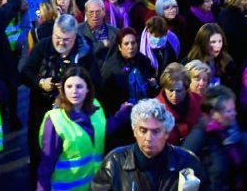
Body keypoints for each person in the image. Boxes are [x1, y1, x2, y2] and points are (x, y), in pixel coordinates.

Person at [21, 14, 100, 183]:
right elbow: (25, 73)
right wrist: (41, 82)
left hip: (73, 116)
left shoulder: (84, 50)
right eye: (57, 37)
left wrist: (75, 88)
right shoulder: (42, 46)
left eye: (66, 39)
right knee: (39, 156)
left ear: (75, 36)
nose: (61, 43)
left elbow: (95, 81)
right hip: (42, 111)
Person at [37, 66, 128, 191]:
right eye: (69, 87)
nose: (74, 91)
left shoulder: (96, 107)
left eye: (79, 86)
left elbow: (101, 131)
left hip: (93, 186)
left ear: (87, 89)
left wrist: (122, 114)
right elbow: (46, 165)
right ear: (63, 89)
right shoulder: (55, 120)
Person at [91, 98, 205, 190]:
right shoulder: (114, 162)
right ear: (134, 131)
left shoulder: (187, 163)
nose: (149, 138)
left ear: (166, 133)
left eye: (156, 131)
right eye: (143, 130)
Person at [183, 85, 247, 189]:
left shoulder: (231, 131)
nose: (234, 114)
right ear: (213, 113)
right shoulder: (200, 135)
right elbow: (183, 168)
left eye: (234, 110)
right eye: (229, 111)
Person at [99, 27, 157, 115]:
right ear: (119, 47)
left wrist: (154, 86)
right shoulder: (110, 68)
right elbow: (104, 97)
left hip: (145, 111)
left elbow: (151, 84)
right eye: (126, 44)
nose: (131, 47)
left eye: (133, 43)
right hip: (120, 114)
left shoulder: (144, 61)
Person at [154, 63, 204, 145]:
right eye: (170, 90)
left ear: (186, 88)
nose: (174, 95)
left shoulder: (200, 102)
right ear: (164, 88)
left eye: (179, 91)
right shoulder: (153, 109)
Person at [185, 23, 236, 89]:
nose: (218, 46)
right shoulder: (189, 62)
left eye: (220, 41)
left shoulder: (228, 63)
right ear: (203, 42)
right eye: (213, 42)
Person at [77, 0, 119, 70]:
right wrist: (102, 44)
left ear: (104, 12)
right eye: (91, 12)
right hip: (85, 74)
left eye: (98, 12)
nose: (95, 15)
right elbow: (80, 54)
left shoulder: (115, 32)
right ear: (86, 14)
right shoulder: (77, 31)